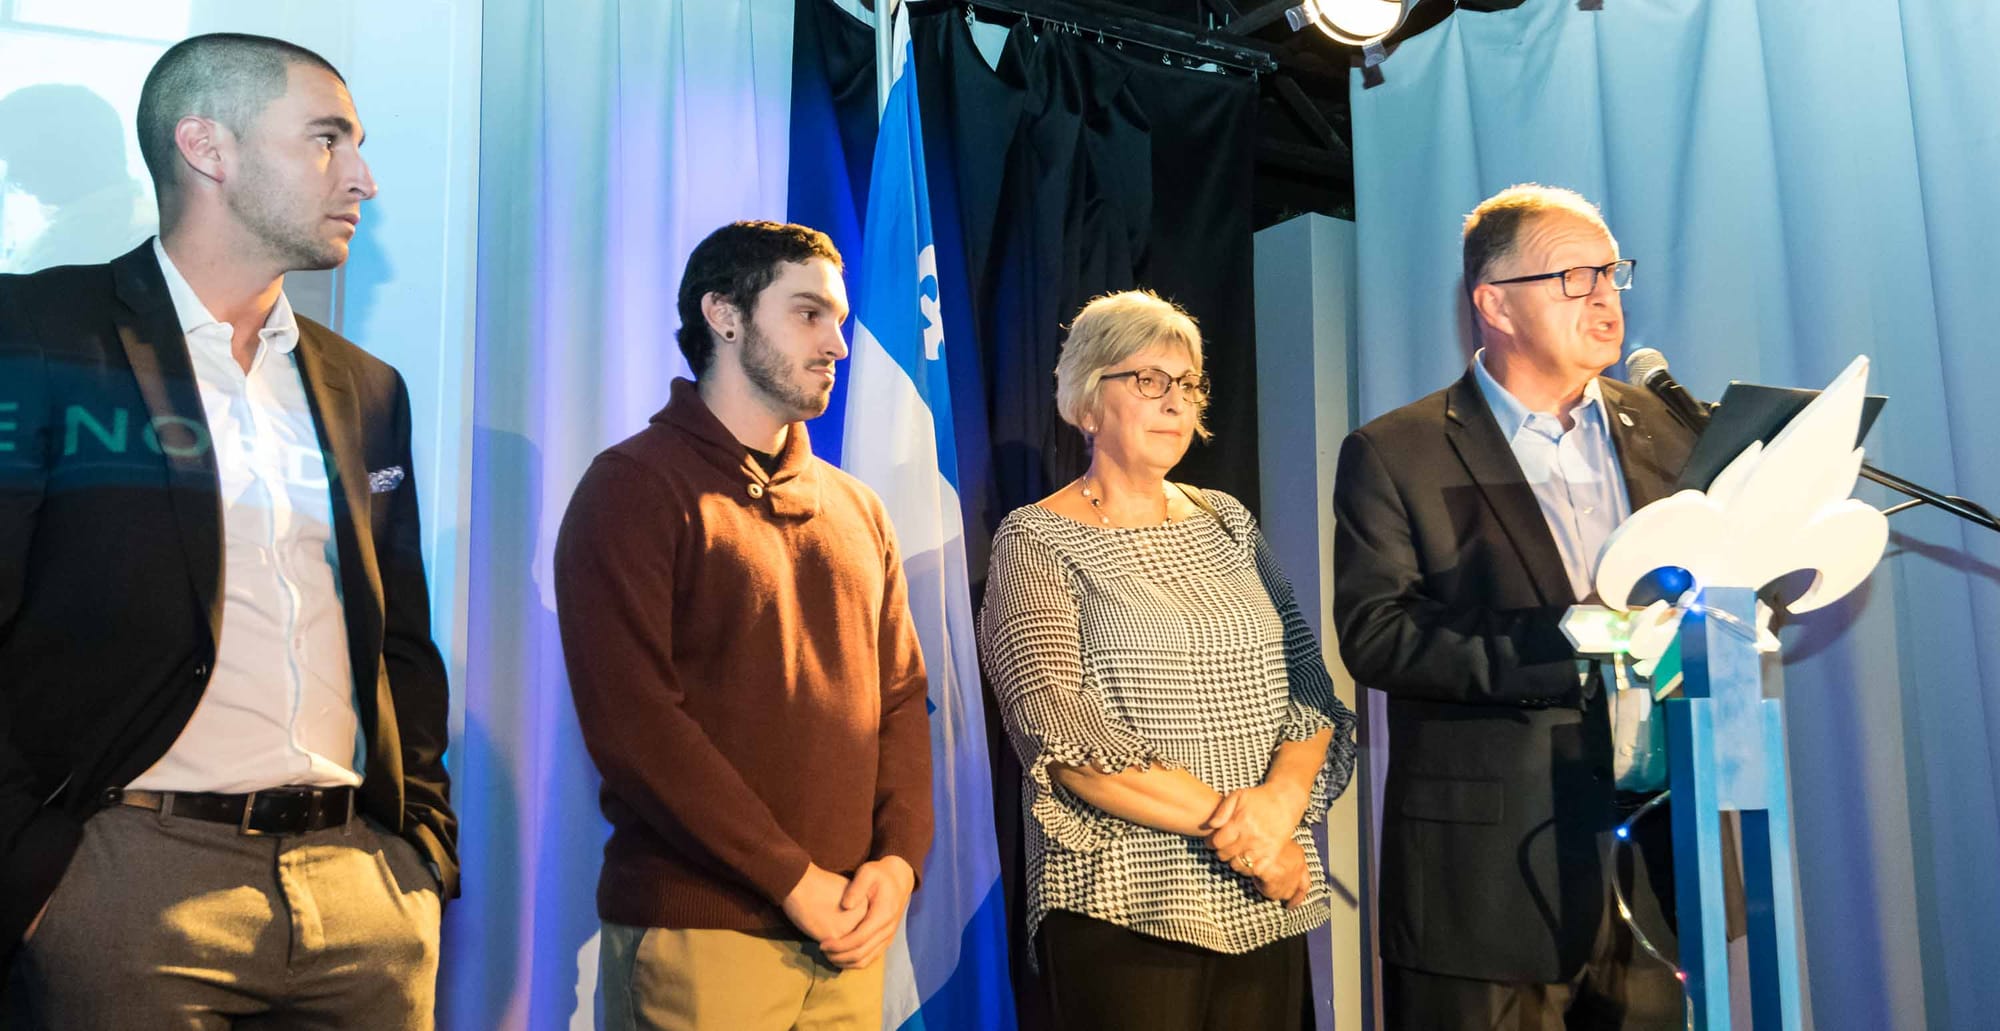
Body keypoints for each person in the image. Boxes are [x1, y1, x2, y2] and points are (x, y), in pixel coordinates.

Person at [0, 33, 455, 1028]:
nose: (365, 177)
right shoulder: (35, 331)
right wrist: (39, 874)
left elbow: (402, 642)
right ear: (208, 145)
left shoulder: (365, 387)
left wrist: (419, 844)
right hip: (126, 885)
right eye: (328, 138)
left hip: (364, 893)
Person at [1332, 184, 1706, 1028]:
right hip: (1487, 879)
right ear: (1494, 304)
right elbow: (1378, 634)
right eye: (1576, 276)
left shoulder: (1668, 430)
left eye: (1612, 272)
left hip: (1653, 862)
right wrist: (1573, 638)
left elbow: (1720, 584)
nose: (1605, 294)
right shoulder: (1399, 451)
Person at [554, 220, 933, 1030]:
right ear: (723, 314)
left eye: (838, 317)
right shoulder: (633, 487)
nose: (838, 340)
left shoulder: (859, 509)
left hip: (849, 940)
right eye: (808, 314)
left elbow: (902, 701)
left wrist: (897, 865)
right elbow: (637, 727)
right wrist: (794, 879)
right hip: (704, 933)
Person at [978, 289, 1357, 1031]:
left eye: (1187, 384)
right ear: (1089, 402)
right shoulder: (1035, 539)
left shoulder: (1227, 520)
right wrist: (1243, 831)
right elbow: (1061, 735)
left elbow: (1309, 689)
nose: (1174, 401)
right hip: (1122, 902)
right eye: (1148, 380)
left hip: (1263, 898)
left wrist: (1278, 810)